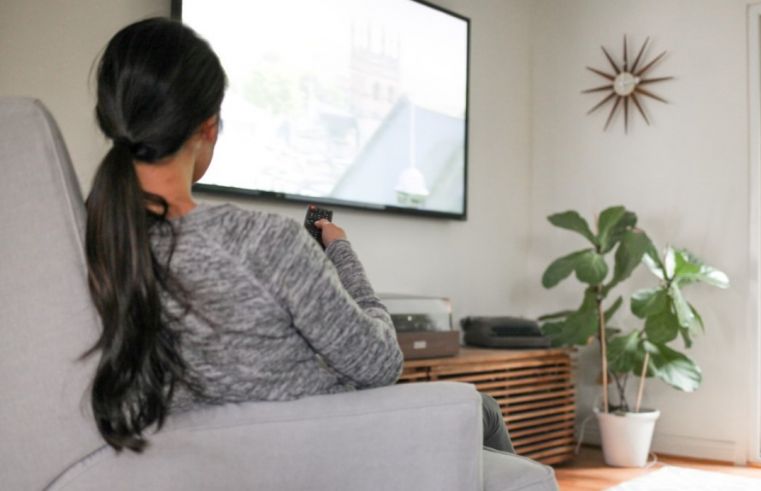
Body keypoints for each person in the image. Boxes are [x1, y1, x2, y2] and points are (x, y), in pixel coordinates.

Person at [83, 17, 514, 455]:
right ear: (208, 126)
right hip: (327, 453)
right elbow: (380, 363)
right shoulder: (263, 241)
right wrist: (341, 253)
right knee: (484, 410)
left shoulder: (92, 248)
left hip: (203, 462)